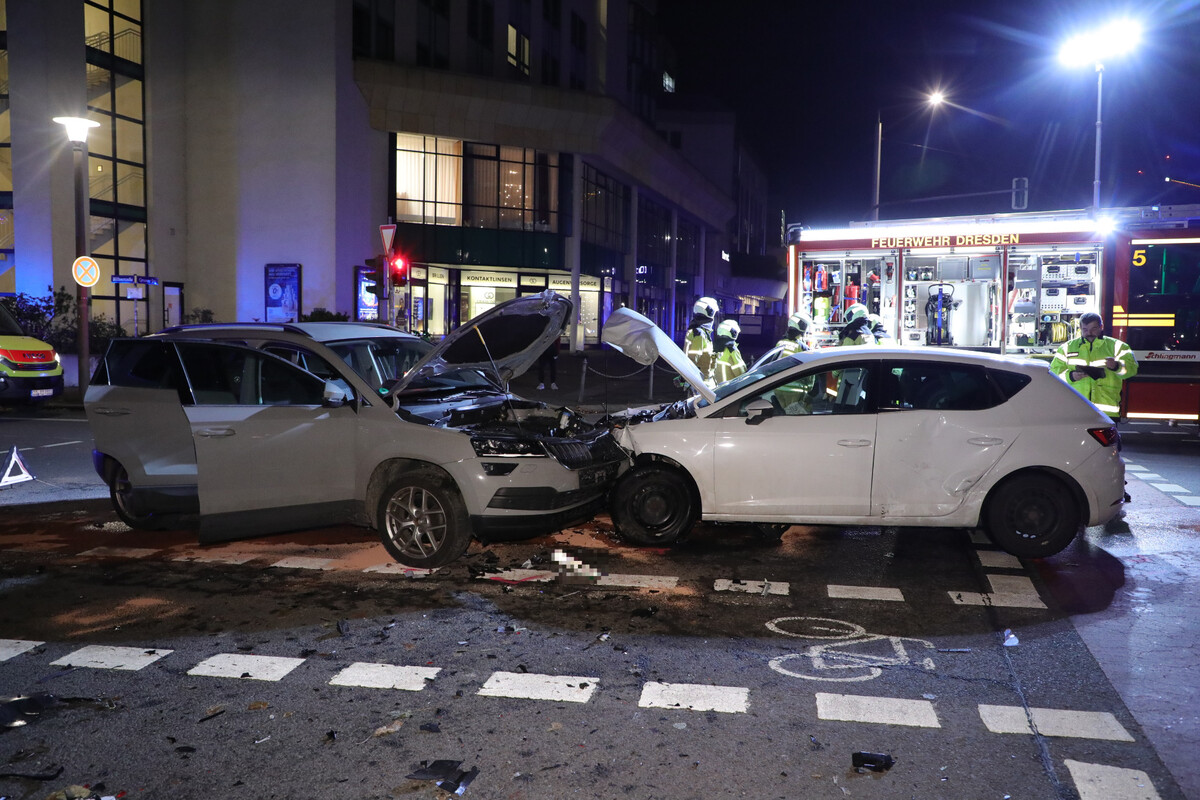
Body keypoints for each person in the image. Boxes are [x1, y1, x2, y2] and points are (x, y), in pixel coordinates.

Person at [1050, 312, 1138, 421]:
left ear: (1101, 327)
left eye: (1093, 329)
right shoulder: (1066, 348)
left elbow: (1132, 370)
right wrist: (1071, 376)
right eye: (1085, 329)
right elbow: (1053, 373)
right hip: (1076, 409)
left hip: (1107, 410)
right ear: (1080, 328)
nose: (1089, 333)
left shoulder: (1118, 346)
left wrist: (1117, 366)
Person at [684, 296, 719, 388]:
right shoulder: (700, 334)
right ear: (710, 313)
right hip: (702, 383)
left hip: (700, 381)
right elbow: (693, 358)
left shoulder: (699, 331)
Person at [713, 319, 747, 384]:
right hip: (730, 389)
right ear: (733, 332)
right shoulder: (731, 350)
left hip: (717, 388)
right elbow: (741, 373)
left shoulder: (713, 346)